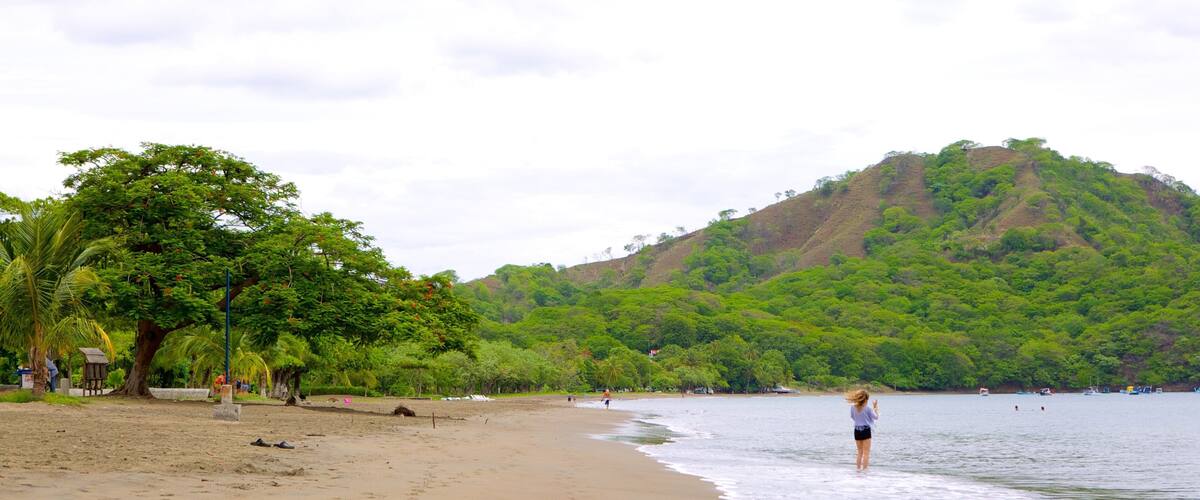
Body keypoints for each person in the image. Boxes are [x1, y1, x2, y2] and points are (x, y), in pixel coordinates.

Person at [846, 389, 879, 471]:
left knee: (860, 452)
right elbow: (876, 417)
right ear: (866, 399)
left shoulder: (852, 407)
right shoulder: (868, 408)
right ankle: (865, 471)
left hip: (856, 430)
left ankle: (858, 470)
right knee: (866, 453)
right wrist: (875, 407)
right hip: (865, 430)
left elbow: (852, 417)